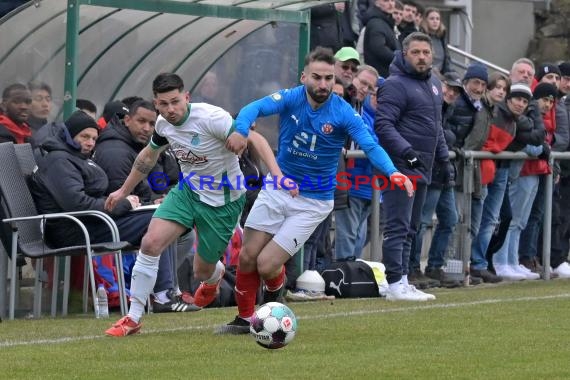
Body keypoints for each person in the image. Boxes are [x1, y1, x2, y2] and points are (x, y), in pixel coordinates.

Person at [217, 46, 413, 334]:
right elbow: (253, 108)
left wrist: (393, 172)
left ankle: (272, 310)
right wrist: (242, 128)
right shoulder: (291, 97)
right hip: (278, 187)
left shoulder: (343, 112)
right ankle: (245, 319)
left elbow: (370, 145)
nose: (323, 84)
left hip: (314, 201)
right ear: (304, 77)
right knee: (247, 257)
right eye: (317, 78)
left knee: (267, 264)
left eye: (329, 79)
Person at [103, 73, 288, 337]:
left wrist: (276, 175)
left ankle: (215, 275)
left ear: (186, 97)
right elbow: (148, 156)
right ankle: (132, 318)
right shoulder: (163, 125)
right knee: (150, 243)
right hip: (187, 192)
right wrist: (123, 190)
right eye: (163, 104)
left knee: (202, 271)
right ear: (156, 104)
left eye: (175, 102)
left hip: (223, 202)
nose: (170, 109)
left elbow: (256, 140)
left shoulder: (212, 118)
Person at [375, 32, 449, 301]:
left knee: (413, 227)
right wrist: (408, 153)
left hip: (423, 168)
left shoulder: (435, 84)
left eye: (426, 52)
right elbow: (383, 125)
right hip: (400, 167)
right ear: (404, 54)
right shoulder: (395, 84)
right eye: (416, 52)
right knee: (398, 226)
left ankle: (404, 280)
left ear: (432, 55)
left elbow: (436, 126)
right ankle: (394, 282)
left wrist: (443, 158)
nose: (421, 57)